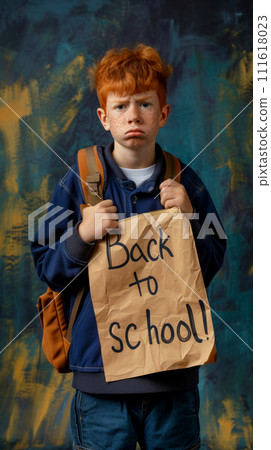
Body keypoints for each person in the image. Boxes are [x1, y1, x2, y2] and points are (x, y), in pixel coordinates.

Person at [31, 44, 226, 450]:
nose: (133, 115)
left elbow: (207, 267)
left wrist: (189, 218)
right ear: (104, 117)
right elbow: (48, 268)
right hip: (99, 380)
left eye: (145, 104)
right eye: (120, 106)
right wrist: (82, 235)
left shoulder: (184, 181)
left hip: (172, 377)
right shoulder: (77, 180)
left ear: (164, 114)